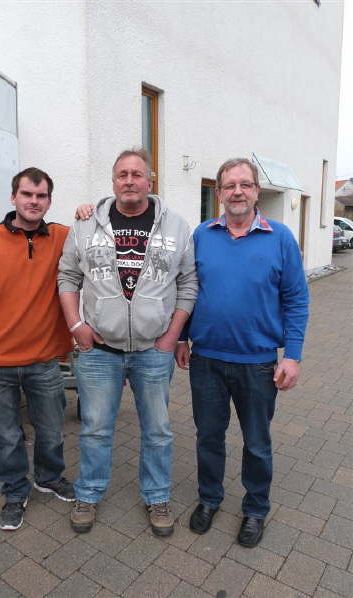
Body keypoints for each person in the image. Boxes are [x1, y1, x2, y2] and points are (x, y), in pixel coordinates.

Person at [58, 149, 197, 536]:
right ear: (113, 181)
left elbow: (188, 283)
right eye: (123, 174)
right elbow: (67, 276)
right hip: (99, 351)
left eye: (137, 174)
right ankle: (88, 494)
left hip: (153, 351)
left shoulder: (176, 226)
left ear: (149, 180)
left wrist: (172, 335)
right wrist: (76, 325)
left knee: (158, 430)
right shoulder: (86, 224)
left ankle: (157, 496)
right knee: (95, 429)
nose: (130, 180)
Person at [175, 158, 309, 547]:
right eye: (230, 185)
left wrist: (292, 355)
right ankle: (209, 499)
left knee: (257, 442)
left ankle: (255, 508)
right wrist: (181, 337)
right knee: (208, 437)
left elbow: (297, 299)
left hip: (258, 364)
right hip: (206, 361)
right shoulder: (202, 235)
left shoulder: (280, 237)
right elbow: (187, 289)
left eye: (245, 184)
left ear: (256, 191)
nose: (238, 191)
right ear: (218, 192)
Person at [0, 167, 75, 531]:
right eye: (27, 194)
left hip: (44, 361)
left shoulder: (62, 237)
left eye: (41, 196)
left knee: (51, 430)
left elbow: (102, 236)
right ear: (13, 197)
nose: (34, 202)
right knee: (8, 437)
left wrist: (91, 210)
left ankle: (48, 477)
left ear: (49, 201)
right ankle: (14, 492)